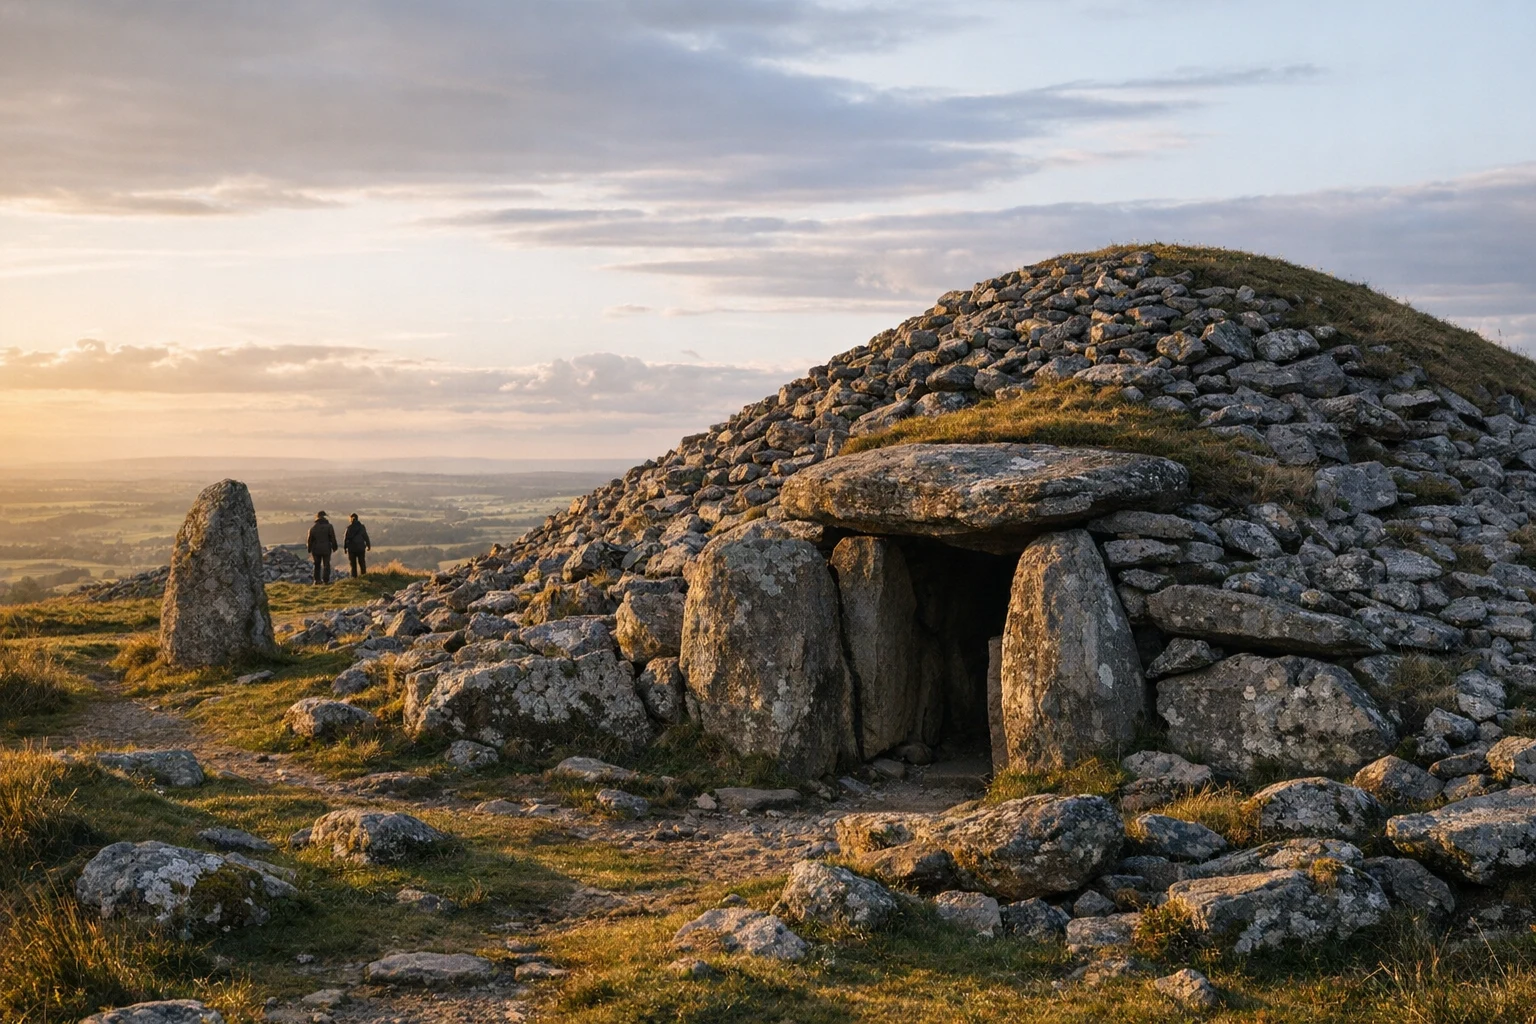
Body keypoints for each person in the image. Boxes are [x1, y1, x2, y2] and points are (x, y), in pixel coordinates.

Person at [306, 510, 338, 584]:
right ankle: (326, 580)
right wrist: (334, 547)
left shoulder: (313, 528)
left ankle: (317, 580)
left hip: (316, 549)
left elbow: (309, 540)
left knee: (317, 565)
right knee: (326, 564)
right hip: (326, 548)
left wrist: (309, 549)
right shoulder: (329, 526)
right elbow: (332, 538)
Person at [344, 512, 371, 578]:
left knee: (353, 565)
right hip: (361, 548)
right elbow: (366, 537)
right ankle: (364, 576)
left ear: (351, 519)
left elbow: (345, 538)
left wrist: (345, 548)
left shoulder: (349, 528)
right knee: (362, 563)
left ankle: (354, 577)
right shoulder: (362, 527)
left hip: (352, 548)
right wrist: (368, 545)